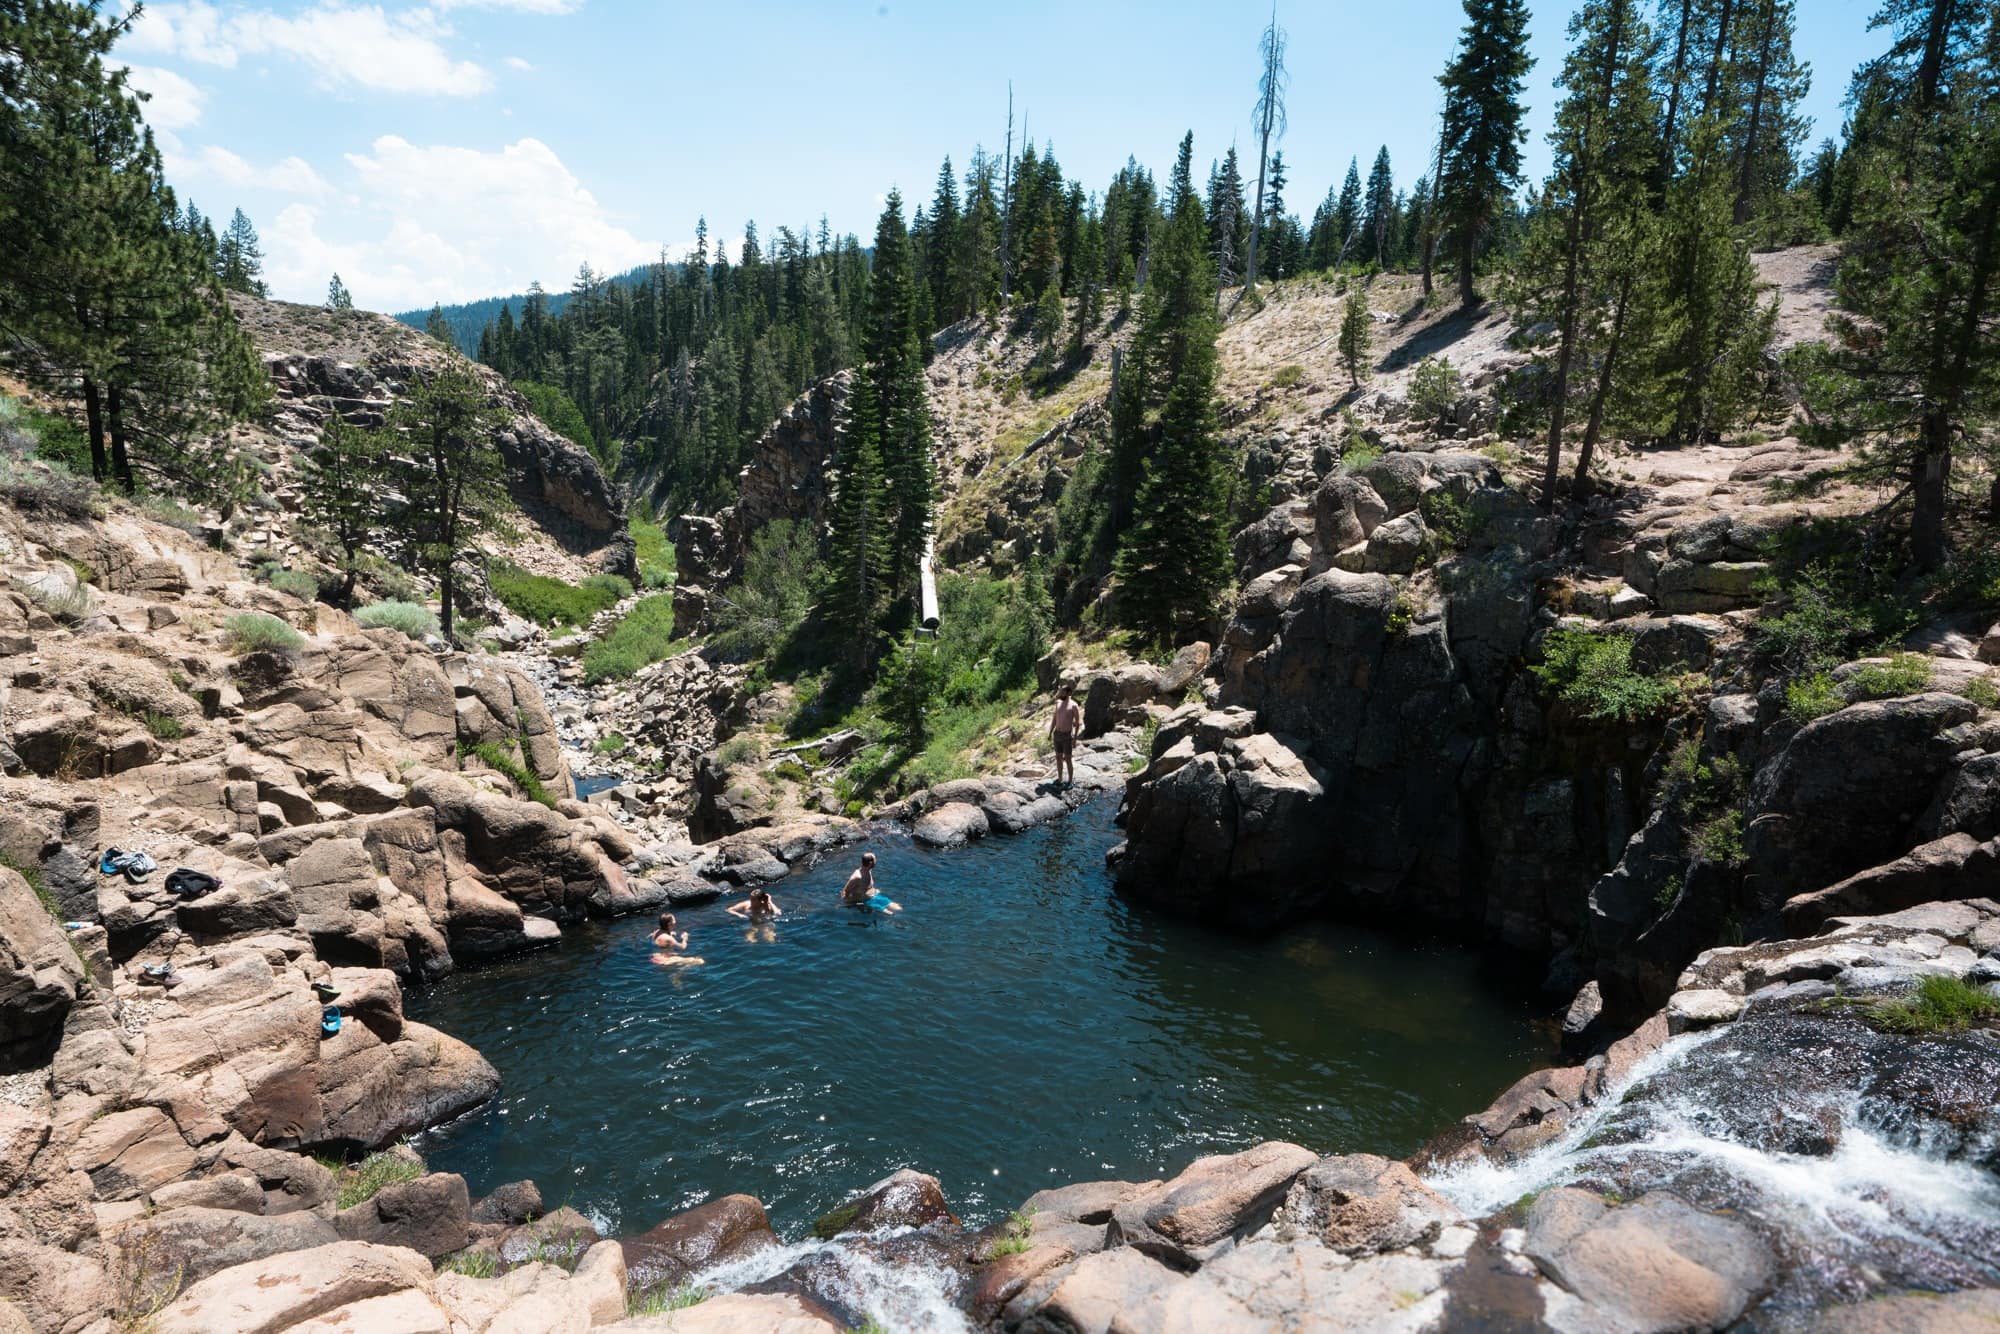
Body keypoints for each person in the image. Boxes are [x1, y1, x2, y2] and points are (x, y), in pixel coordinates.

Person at [1050, 682, 1082, 786]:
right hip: (1057, 734)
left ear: (1068, 693)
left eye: (1063, 691)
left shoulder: (1074, 706)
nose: (1060, 693)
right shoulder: (1058, 703)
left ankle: (1070, 781)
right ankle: (1059, 779)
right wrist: (1050, 732)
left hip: (1067, 735)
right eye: (1060, 691)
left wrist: (1075, 739)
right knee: (1058, 757)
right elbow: (1055, 719)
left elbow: (1077, 724)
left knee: (1068, 759)